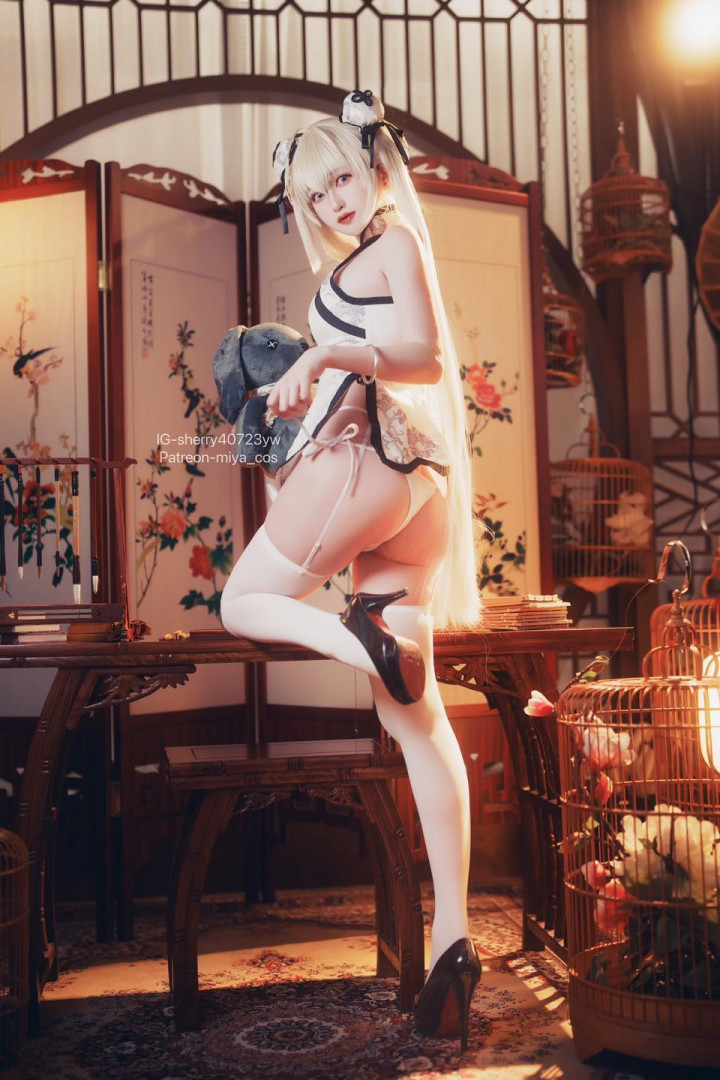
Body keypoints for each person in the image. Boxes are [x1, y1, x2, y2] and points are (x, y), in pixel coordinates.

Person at [219, 89, 483, 1051]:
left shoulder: (392, 243)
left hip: (375, 469)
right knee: (418, 722)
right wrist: (311, 388)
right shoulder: (370, 257)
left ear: (371, 167)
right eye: (315, 191)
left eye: (342, 176)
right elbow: (379, 368)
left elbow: (422, 357)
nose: (334, 198)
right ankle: (454, 943)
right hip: (418, 494)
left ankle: (360, 641)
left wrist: (328, 350)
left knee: (241, 600)